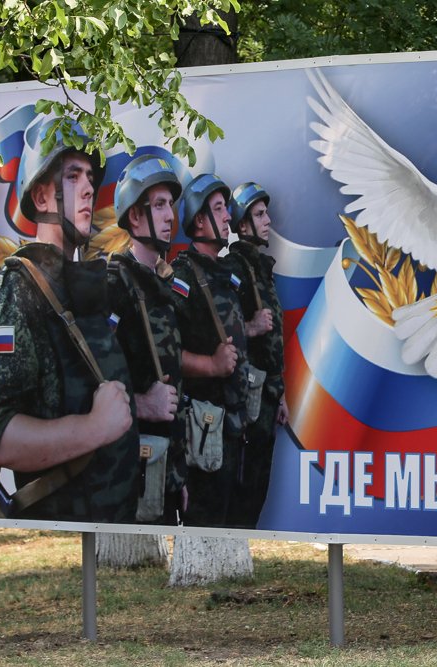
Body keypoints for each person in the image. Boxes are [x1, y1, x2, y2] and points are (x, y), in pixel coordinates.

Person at [0, 116, 140, 523]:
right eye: (73, 176)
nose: (89, 188)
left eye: (90, 177)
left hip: (114, 522)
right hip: (61, 527)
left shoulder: (87, 288)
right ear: (42, 196)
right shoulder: (17, 291)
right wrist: (94, 429)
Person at [107, 154, 187, 524]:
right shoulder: (114, 284)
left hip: (163, 469)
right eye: (159, 205)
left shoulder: (162, 285)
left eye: (170, 205)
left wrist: (178, 475)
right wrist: (141, 404)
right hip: (128, 473)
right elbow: (87, 384)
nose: (170, 216)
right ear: (135, 217)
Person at [171, 173, 250, 526]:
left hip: (232, 428)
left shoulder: (224, 273)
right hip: (202, 433)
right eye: (219, 209)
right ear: (199, 220)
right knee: (205, 526)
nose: (228, 216)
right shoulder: (182, 277)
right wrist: (211, 365)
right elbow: (165, 355)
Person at [227, 182, 289, 528]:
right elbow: (216, 331)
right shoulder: (234, 268)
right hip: (246, 400)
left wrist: (280, 394)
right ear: (242, 224)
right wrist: (249, 327)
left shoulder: (262, 268)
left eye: (266, 214)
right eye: (260, 215)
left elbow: (273, 344)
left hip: (267, 396)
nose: (268, 221)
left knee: (257, 487)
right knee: (243, 487)